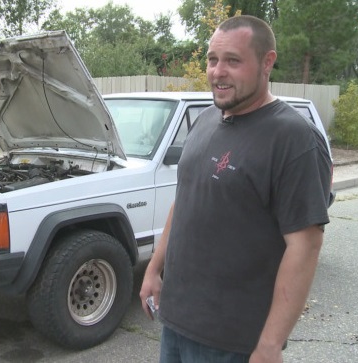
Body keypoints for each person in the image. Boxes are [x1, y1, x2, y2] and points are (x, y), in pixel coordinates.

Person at [139, 15, 332, 363]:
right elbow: (184, 201)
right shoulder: (205, 120)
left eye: (233, 60)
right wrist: (154, 268)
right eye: (213, 60)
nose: (217, 71)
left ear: (267, 62)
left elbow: (304, 246)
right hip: (177, 321)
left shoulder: (293, 139)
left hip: (234, 341)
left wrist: (270, 345)